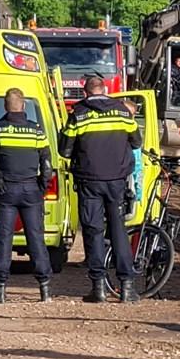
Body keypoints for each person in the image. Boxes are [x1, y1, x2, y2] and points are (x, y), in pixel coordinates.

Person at [59, 77, 142, 303]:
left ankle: (99, 288)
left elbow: (64, 150)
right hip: (116, 181)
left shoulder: (78, 114)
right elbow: (137, 142)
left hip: (89, 182)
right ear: (105, 91)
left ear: (85, 93)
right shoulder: (123, 113)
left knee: (93, 231)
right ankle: (127, 286)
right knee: (118, 231)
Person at [0, 88, 54, 305]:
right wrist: (41, 187)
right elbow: (47, 165)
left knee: (3, 239)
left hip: (4, 192)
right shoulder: (36, 132)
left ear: (5, 106)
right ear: (23, 106)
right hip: (31, 189)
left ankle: (0, 290)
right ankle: (45, 289)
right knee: (35, 238)